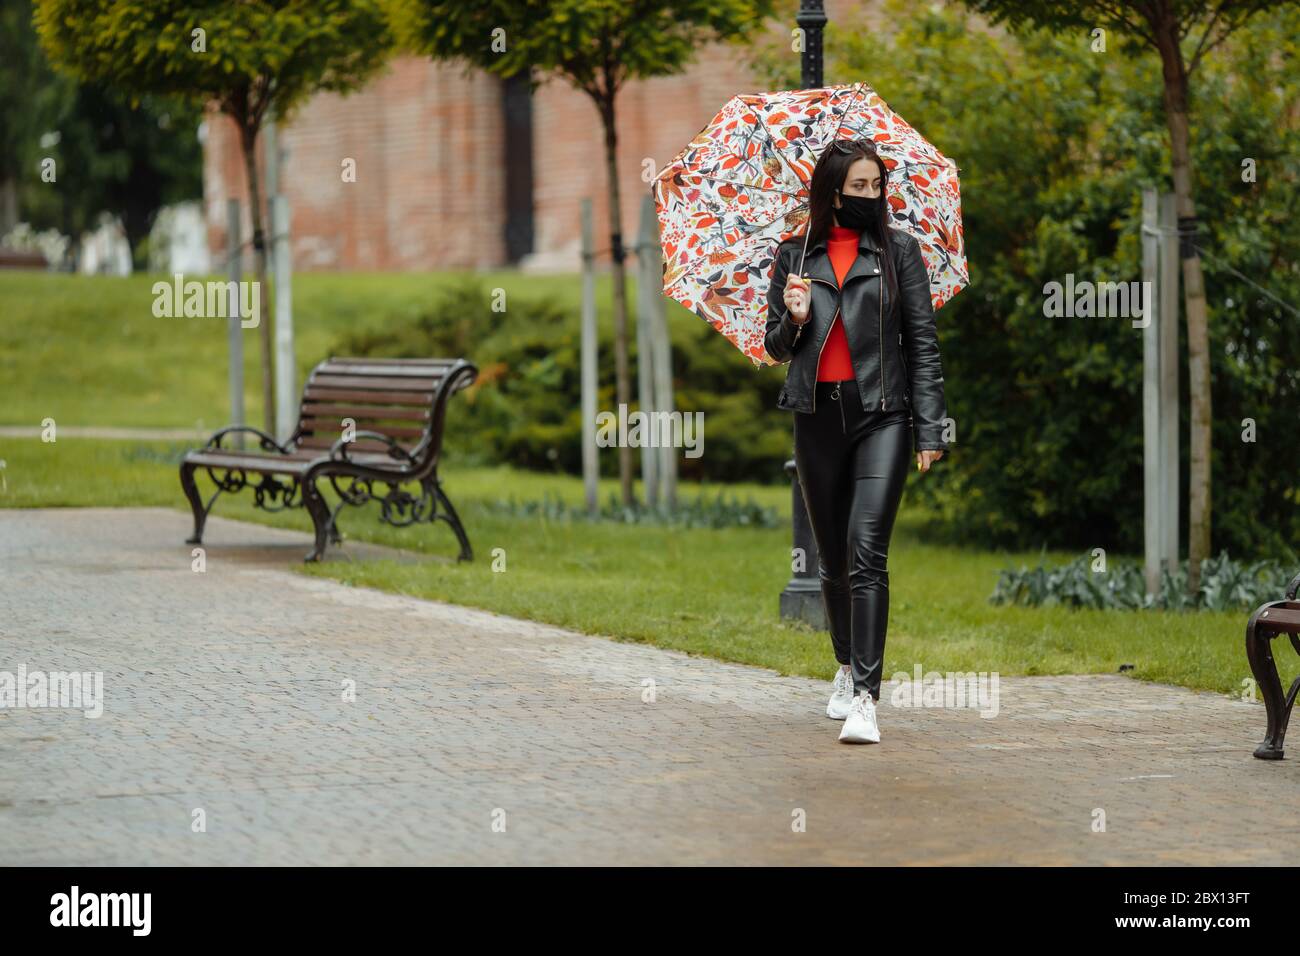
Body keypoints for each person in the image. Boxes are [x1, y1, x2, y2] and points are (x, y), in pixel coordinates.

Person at [764, 138, 949, 744]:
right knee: (833, 560)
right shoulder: (795, 256)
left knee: (868, 549)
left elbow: (921, 344)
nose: (870, 196)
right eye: (859, 187)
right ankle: (844, 665)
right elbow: (774, 350)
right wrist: (793, 320)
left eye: (877, 186)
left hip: (883, 417)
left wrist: (930, 424)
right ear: (833, 191)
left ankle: (867, 696)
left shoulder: (900, 253)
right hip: (817, 419)